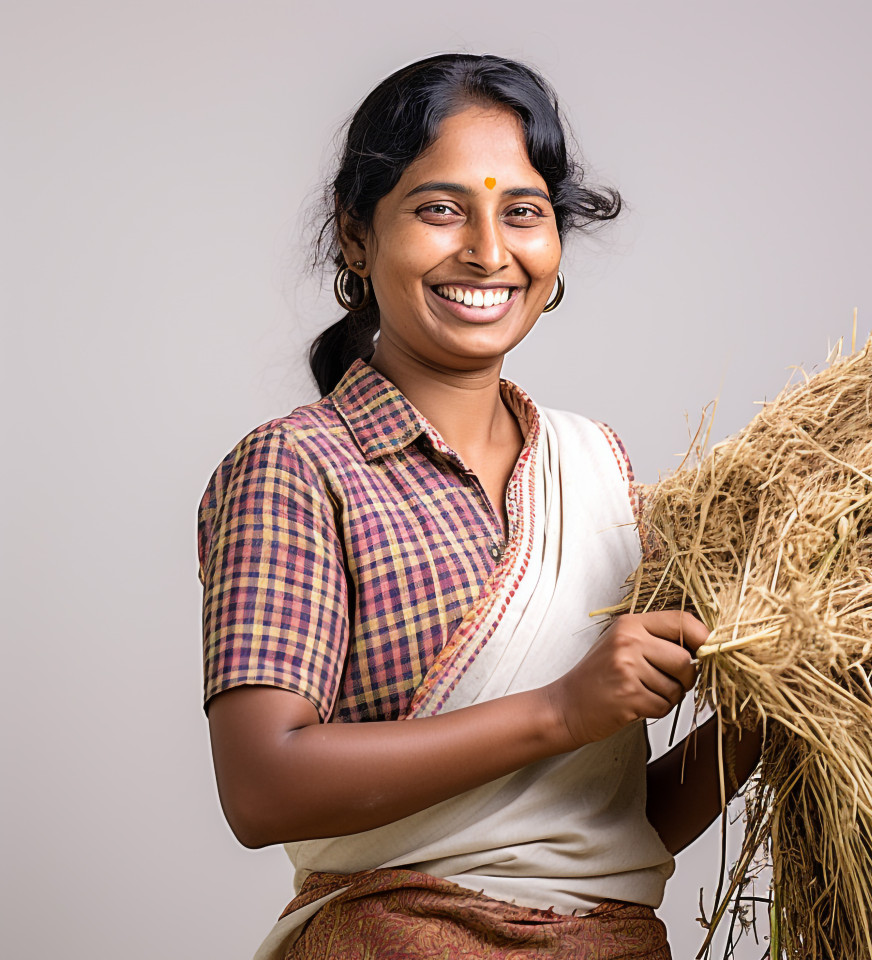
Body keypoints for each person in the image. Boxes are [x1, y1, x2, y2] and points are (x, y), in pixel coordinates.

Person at [198, 53, 762, 960]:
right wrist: (563, 710)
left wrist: (777, 713)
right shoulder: (300, 468)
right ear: (354, 236)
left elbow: (604, 830)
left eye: (523, 212)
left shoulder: (599, 472)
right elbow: (262, 789)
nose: (488, 251)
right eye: (440, 208)